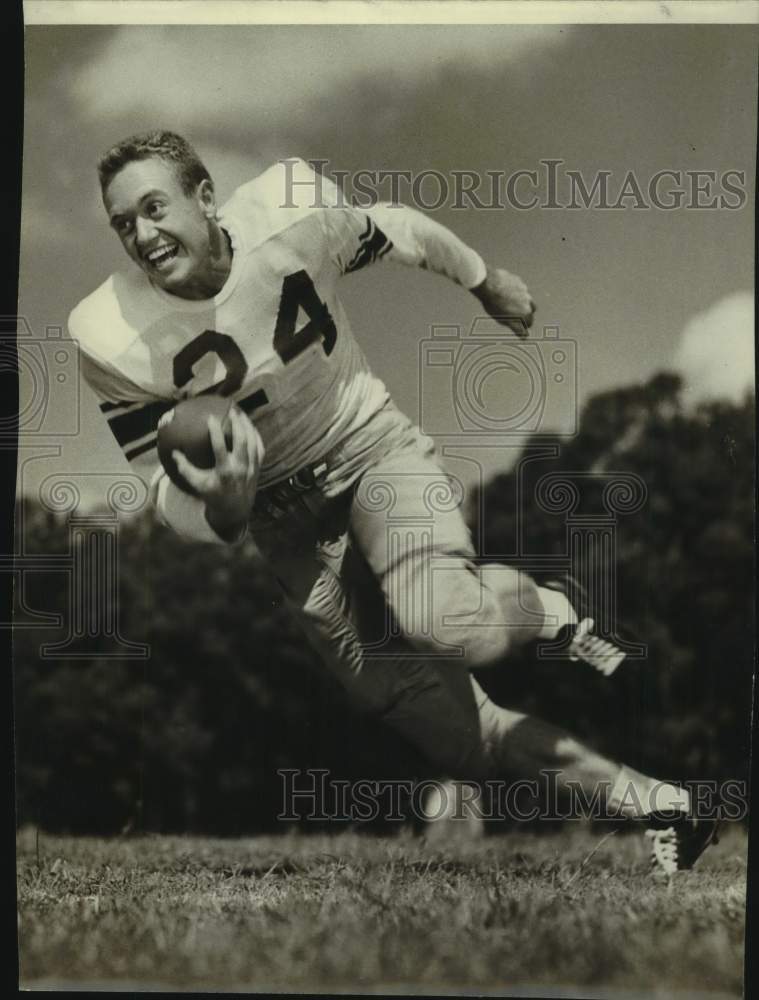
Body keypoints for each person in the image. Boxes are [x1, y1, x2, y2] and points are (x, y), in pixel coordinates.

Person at [69, 130, 717, 875]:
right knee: (463, 742)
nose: (142, 234)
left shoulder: (289, 215)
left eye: (154, 207)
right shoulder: (109, 335)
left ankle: (551, 610)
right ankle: (666, 806)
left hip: (368, 453)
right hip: (282, 525)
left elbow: (398, 229)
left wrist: (483, 279)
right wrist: (225, 506)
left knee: (449, 622)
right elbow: (166, 494)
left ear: (205, 197)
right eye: (123, 222)